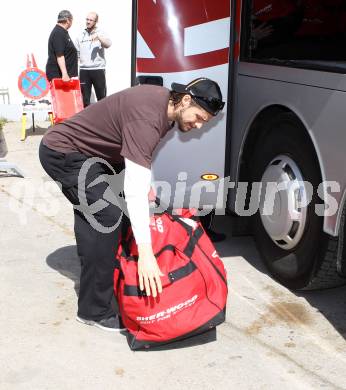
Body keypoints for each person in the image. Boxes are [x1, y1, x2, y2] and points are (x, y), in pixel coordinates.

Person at [39, 78, 225, 331]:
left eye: (206, 121)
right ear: (185, 100)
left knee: (112, 218)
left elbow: (137, 153)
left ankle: (110, 279)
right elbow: (136, 181)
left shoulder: (168, 110)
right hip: (65, 152)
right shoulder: (148, 116)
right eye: (199, 116)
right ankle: (94, 311)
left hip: (100, 157)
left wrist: (145, 188)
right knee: (107, 218)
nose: (200, 125)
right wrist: (147, 256)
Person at [75, 12, 112, 107]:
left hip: (98, 70)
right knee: (84, 99)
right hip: (84, 71)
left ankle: (103, 120)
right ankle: (86, 121)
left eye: (91, 20)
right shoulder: (80, 35)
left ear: (96, 21)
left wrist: (99, 37)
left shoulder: (101, 32)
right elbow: (77, 53)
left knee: (102, 98)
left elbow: (108, 44)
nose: (88, 22)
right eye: (87, 19)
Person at [46, 10, 78, 82]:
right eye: (72, 20)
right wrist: (65, 74)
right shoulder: (58, 33)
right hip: (59, 76)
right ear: (68, 20)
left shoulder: (62, 32)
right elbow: (60, 55)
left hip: (64, 76)